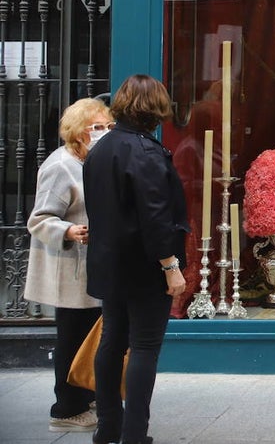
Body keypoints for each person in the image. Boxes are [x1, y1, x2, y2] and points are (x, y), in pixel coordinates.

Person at [84, 74, 189, 444]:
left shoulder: (100, 148)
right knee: (144, 346)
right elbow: (156, 217)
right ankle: (133, 434)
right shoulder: (144, 152)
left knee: (112, 340)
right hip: (145, 266)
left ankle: (108, 426)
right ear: (155, 108)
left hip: (109, 262)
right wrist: (170, 267)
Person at [25, 98, 113, 433]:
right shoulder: (59, 166)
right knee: (72, 336)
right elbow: (39, 218)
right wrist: (69, 230)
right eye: (97, 128)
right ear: (78, 133)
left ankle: (82, 395)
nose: (103, 133)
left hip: (89, 265)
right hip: (68, 266)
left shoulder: (91, 161)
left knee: (88, 332)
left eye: (107, 127)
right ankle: (66, 408)